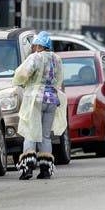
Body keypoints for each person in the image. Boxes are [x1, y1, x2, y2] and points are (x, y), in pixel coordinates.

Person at [12, 31, 67, 180]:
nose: (33, 47)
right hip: (52, 99)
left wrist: (19, 81)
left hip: (35, 99)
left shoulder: (35, 57)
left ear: (38, 45)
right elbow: (60, 79)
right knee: (45, 136)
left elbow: (22, 74)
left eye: (34, 45)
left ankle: (27, 168)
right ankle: (45, 169)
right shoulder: (57, 59)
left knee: (31, 132)